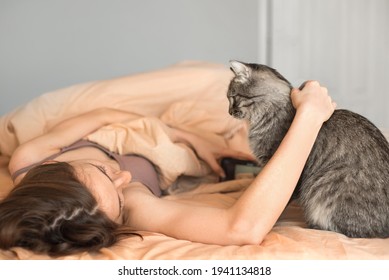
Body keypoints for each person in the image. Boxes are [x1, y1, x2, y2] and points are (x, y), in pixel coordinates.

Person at [0, 81, 336, 256]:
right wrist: (309, 117)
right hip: (169, 152)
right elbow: (241, 228)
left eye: (102, 171)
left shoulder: (30, 158)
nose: (125, 177)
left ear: (55, 168)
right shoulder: (135, 206)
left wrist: (188, 137)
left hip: (159, 129)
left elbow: (105, 115)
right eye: (118, 199)